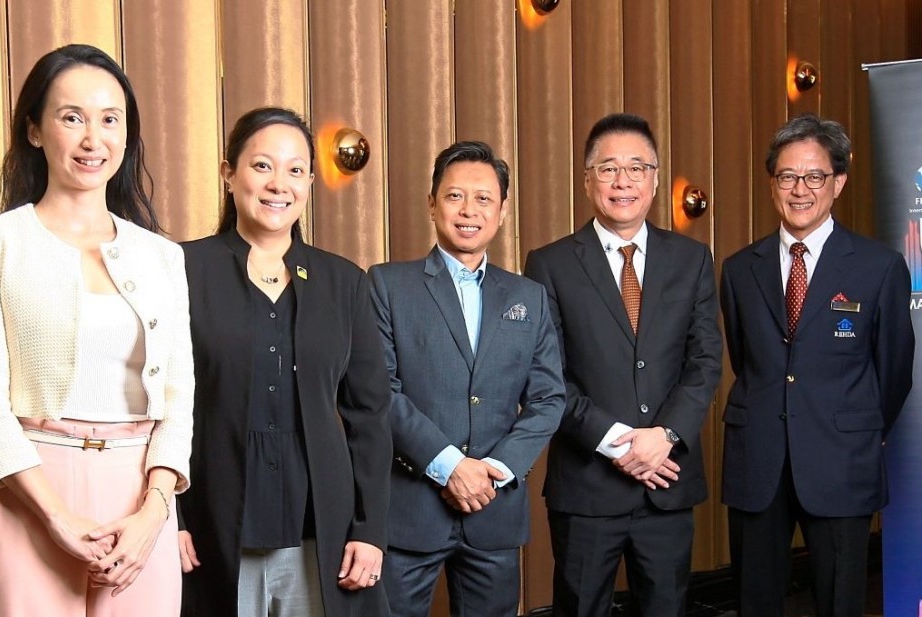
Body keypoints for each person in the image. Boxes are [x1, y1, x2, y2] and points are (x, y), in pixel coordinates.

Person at [0, 44, 194, 617]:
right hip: (27, 492)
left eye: (110, 119)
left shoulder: (162, 257)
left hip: (140, 499)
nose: (93, 139)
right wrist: (55, 515)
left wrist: (154, 511)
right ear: (34, 130)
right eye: (72, 117)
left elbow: (179, 398)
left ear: (127, 135)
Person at [177, 107, 392, 617]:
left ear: (310, 183)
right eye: (262, 166)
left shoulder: (344, 282)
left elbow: (370, 416)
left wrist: (370, 529)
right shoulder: (182, 268)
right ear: (229, 173)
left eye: (296, 170)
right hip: (210, 523)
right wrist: (171, 518)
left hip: (321, 530)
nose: (280, 184)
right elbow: (155, 405)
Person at [524, 113, 722, 617]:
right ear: (587, 180)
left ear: (654, 179)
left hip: (667, 479)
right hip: (587, 486)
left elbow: (704, 360)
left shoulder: (692, 258)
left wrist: (666, 435)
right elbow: (546, 375)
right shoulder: (550, 264)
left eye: (637, 168)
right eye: (608, 168)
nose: (623, 181)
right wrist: (617, 441)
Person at [720, 114, 914, 617]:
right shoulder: (740, 269)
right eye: (787, 176)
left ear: (838, 182)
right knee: (755, 601)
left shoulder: (879, 267)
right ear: (772, 184)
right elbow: (746, 358)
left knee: (839, 601)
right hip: (758, 459)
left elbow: (894, 369)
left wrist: (858, 426)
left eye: (814, 176)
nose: (800, 189)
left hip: (841, 459)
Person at [368, 141, 566, 617]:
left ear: (502, 210)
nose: (468, 210)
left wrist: (495, 470)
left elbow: (548, 399)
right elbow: (379, 391)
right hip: (410, 509)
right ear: (432, 203)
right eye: (455, 196)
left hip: (494, 510)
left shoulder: (528, 296)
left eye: (483, 198)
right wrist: (449, 465)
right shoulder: (387, 284)